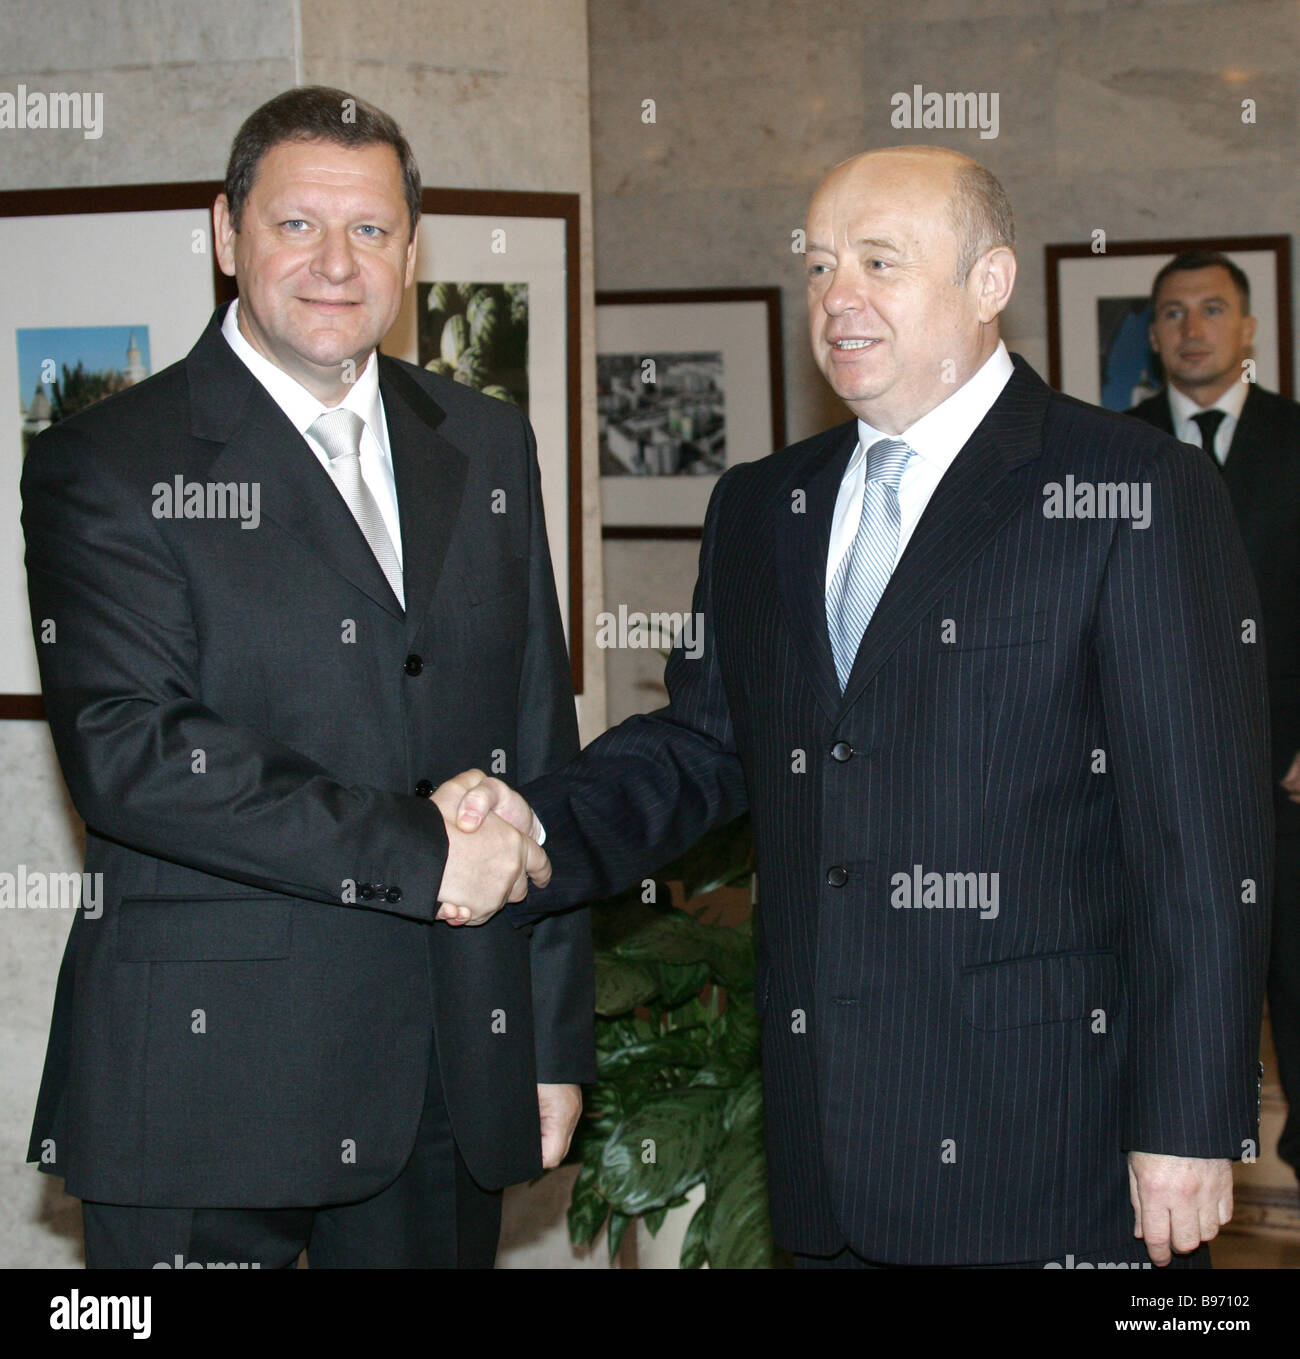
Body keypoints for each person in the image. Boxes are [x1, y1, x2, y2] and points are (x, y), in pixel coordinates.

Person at [446, 147, 1272, 1268]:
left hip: (1045, 1139)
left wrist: (1186, 1123)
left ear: (989, 284)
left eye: (880, 262)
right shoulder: (760, 506)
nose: (839, 299)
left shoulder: (1131, 489)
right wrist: (533, 823)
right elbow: (702, 745)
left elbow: (1199, 836)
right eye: (823, 265)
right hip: (823, 1143)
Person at [22, 86, 592, 1269]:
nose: (336, 264)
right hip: (204, 1094)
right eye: (296, 226)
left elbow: (539, 742)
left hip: (447, 1073)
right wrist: (423, 849)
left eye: (371, 231)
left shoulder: (486, 443)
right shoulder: (106, 462)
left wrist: (546, 1039)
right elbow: (135, 757)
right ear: (226, 237)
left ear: (411, 251)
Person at [1129, 250, 1300, 1185]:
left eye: (1212, 309)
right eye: (1171, 313)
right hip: (1153, 801)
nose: (1192, 328)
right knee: (1171, 1017)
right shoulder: (1106, 452)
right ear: (1152, 337)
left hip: (1288, 791)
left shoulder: (1299, 438)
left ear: (1248, 329)